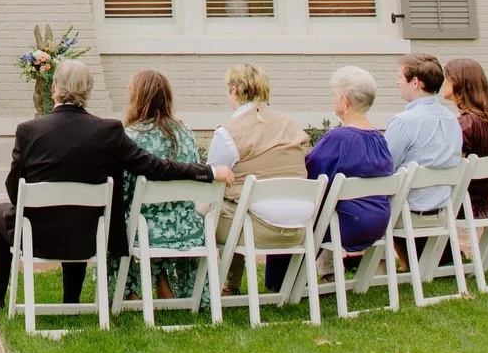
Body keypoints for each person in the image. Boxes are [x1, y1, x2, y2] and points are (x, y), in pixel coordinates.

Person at [0, 59, 230, 329]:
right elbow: (155, 166)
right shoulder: (108, 131)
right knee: (75, 215)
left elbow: (13, 189)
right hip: (92, 236)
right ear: (88, 92)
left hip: (37, 237)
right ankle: (71, 302)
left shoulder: (29, 131)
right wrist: (207, 171)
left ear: (53, 88)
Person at [112, 69, 212, 306]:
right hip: (187, 227)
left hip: (146, 228)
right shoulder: (186, 133)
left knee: (120, 219)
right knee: (151, 216)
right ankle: (161, 283)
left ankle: (130, 292)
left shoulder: (130, 136)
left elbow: (125, 190)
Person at [208, 63, 311, 289]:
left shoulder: (229, 133)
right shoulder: (291, 125)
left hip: (255, 231)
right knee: (236, 203)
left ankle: (204, 287)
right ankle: (229, 283)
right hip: (299, 229)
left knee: (206, 206)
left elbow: (211, 180)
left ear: (234, 90)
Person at [305, 66, 394, 254]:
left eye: (334, 95)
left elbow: (310, 177)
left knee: (296, 218)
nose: (332, 99)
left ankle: (282, 282)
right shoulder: (380, 139)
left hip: (345, 226)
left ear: (345, 101)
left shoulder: (339, 139)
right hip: (378, 223)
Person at [384, 53, 463, 213]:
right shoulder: (452, 120)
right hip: (443, 212)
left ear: (415, 83)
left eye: (400, 77)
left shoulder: (403, 122)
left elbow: (386, 168)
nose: (397, 82)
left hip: (405, 213)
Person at [443, 56, 488, 216]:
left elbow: (449, 165)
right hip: (480, 204)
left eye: (447, 78)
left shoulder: (466, 124)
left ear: (458, 82)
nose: (443, 83)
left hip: (460, 204)